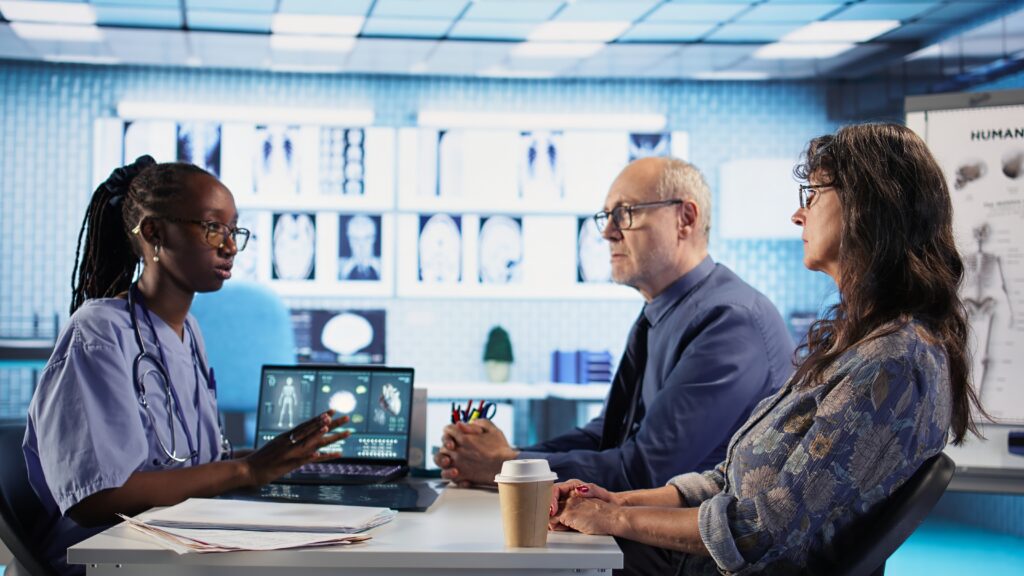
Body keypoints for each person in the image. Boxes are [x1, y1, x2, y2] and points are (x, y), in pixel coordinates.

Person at [547, 123, 987, 575]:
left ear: (870, 206)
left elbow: (758, 528)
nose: (798, 216)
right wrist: (616, 501)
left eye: (812, 196)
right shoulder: (860, 345)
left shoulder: (891, 364)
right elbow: (729, 481)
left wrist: (616, 517)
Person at [23, 156, 350, 576]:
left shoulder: (187, 331)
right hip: (109, 560)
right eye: (213, 227)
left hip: (179, 545)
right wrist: (246, 470)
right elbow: (96, 499)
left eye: (234, 231)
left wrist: (279, 458)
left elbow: (187, 468)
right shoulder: (99, 332)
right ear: (155, 232)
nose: (229, 245)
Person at [436, 157, 793, 497]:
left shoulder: (729, 321)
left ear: (685, 217)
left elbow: (645, 472)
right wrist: (503, 454)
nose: (607, 232)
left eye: (625, 213)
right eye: (607, 216)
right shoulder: (664, 312)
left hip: (696, 553)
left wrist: (506, 465)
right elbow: (607, 435)